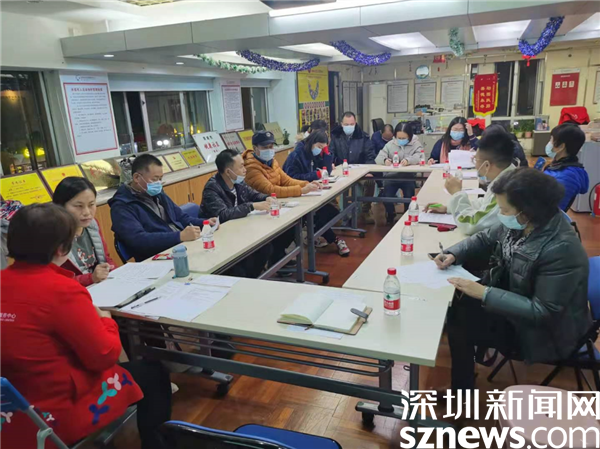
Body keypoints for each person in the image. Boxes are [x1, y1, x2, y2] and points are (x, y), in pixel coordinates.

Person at [1, 204, 171, 449]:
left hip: (10, 406)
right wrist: (106, 321)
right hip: (52, 411)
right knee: (153, 373)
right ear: (62, 248)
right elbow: (104, 355)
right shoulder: (62, 290)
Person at [433, 168, 590, 392]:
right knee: (459, 305)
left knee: (460, 322)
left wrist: (484, 293)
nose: (500, 214)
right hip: (518, 299)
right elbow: (485, 237)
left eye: (504, 209)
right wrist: (454, 253)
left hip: (544, 332)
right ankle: (464, 379)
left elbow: (543, 311)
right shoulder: (524, 223)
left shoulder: (561, 249)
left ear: (527, 211)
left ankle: (461, 390)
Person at [109, 153, 217, 262]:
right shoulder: (122, 206)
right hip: (156, 258)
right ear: (137, 177)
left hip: (180, 247)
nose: (158, 183)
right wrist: (179, 236)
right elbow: (139, 240)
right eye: (155, 179)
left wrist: (205, 223)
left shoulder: (158, 194)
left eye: (160, 179)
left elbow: (181, 217)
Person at [200, 149, 281, 277]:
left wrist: (267, 198)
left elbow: (253, 194)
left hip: (238, 230)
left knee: (265, 248)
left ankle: (253, 279)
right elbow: (223, 215)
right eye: (241, 166)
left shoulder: (238, 182)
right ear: (228, 172)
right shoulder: (212, 188)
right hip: (219, 237)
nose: (245, 169)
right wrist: (251, 206)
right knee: (244, 263)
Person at [425, 128, 516, 235]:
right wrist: (449, 208)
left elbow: (470, 225)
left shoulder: (505, 189)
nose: (475, 164)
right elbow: (484, 204)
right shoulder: (506, 176)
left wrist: (457, 194)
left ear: (487, 165)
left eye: (475, 160)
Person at [282, 130, 350, 256]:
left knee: (333, 212)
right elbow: (291, 178)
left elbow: (326, 170)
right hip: (296, 194)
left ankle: (313, 235)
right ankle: (334, 240)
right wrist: (315, 175)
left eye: (323, 147)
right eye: (319, 146)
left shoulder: (313, 152)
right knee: (322, 215)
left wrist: (327, 154)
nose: (320, 150)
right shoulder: (297, 155)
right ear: (312, 142)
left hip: (310, 192)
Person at [52, 177, 116, 287]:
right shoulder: (53, 235)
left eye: (91, 205)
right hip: (76, 291)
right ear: (60, 206)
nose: (87, 212)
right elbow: (55, 281)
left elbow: (106, 259)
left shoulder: (92, 225)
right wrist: (90, 278)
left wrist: (112, 269)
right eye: (79, 206)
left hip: (101, 285)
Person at [329, 111, 377, 223]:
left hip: (360, 172)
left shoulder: (363, 136)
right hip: (341, 172)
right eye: (346, 124)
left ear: (355, 123)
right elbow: (330, 153)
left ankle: (365, 210)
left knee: (370, 181)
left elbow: (370, 155)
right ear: (341, 124)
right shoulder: (335, 136)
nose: (349, 127)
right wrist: (331, 162)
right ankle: (339, 212)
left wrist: (369, 171)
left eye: (351, 124)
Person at [243, 130, 320, 198]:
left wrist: (306, 184)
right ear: (255, 148)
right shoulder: (251, 167)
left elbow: (287, 181)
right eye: (265, 147)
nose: (269, 150)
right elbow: (270, 190)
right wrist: (300, 190)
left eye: (271, 147)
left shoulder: (272, 161)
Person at [375, 122, 423, 224]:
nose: (401, 140)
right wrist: (384, 160)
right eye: (399, 138)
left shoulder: (416, 144)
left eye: (404, 138)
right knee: (386, 197)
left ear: (409, 136)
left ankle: (406, 215)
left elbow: (420, 157)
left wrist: (409, 160)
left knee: (409, 197)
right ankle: (391, 214)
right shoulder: (390, 144)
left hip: (408, 177)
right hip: (391, 177)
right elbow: (378, 157)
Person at [543, 123, 589, 211]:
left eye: (551, 139)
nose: (549, 143)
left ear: (561, 146)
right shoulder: (560, 167)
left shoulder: (564, 177)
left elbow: (548, 211)